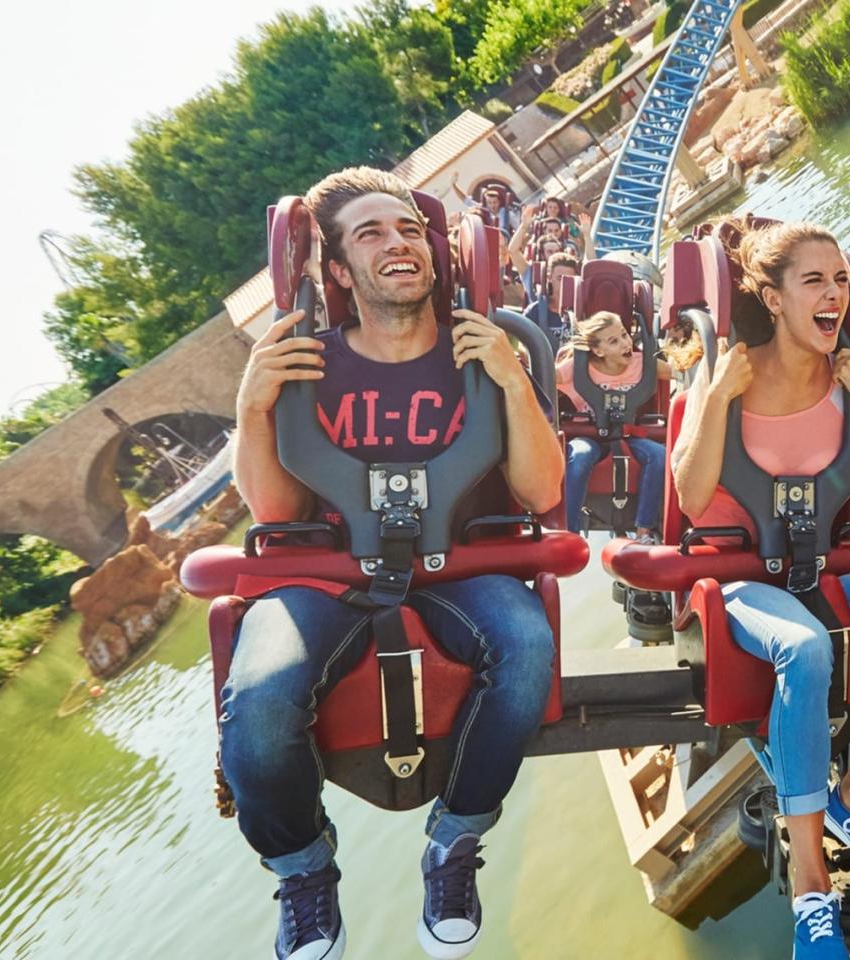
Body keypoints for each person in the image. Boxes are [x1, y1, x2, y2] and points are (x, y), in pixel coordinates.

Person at [227, 167, 563, 960]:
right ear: (339, 270)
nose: (398, 243)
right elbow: (275, 515)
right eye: (371, 234)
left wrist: (513, 381)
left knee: (526, 646)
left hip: (461, 565)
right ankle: (304, 872)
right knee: (261, 696)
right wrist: (251, 409)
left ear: (436, 253)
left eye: (410, 229)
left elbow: (542, 489)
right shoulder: (304, 362)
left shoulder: (486, 350)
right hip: (335, 577)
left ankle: (455, 842)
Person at [673, 219, 850, 960]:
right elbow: (694, 496)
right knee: (802, 650)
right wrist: (714, 401)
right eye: (814, 282)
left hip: (822, 572)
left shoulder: (848, 379)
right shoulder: (727, 373)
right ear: (771, 298)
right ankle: (810, 886)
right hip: (743, 584)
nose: (835, 295)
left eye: (841, 280)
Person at [554, 310, 672, 537]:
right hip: (590, 435)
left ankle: (644, 529)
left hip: (629, 435)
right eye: (613, 341)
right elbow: (541, 377)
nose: (625, 343)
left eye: (625, 335)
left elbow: (679, 371)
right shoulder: (577, 368)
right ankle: (569, 532)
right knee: (579, 456)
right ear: (597, 350)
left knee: (658, 456)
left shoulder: (642, 365)